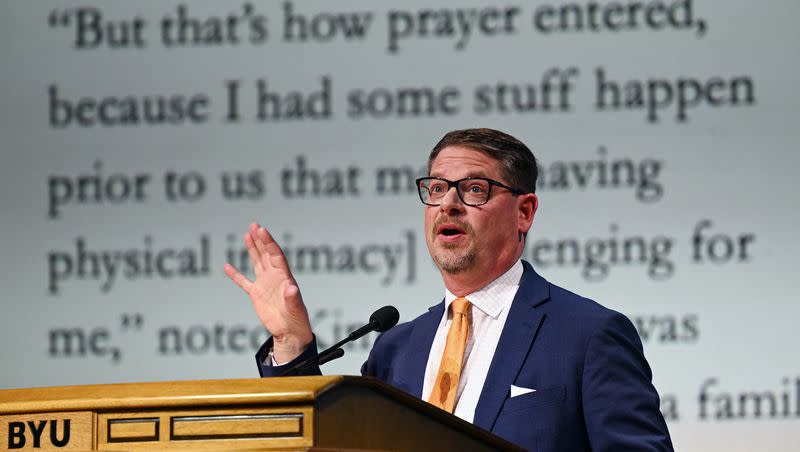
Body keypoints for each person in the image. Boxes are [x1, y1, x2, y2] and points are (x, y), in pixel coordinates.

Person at [224, 128, 673, 451]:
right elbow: (338, 444)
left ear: (525, 212)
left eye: (474, 189)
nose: (448, 204)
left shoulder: (588, 335)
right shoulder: (396, 348)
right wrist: (292, 344)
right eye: (437, 188)